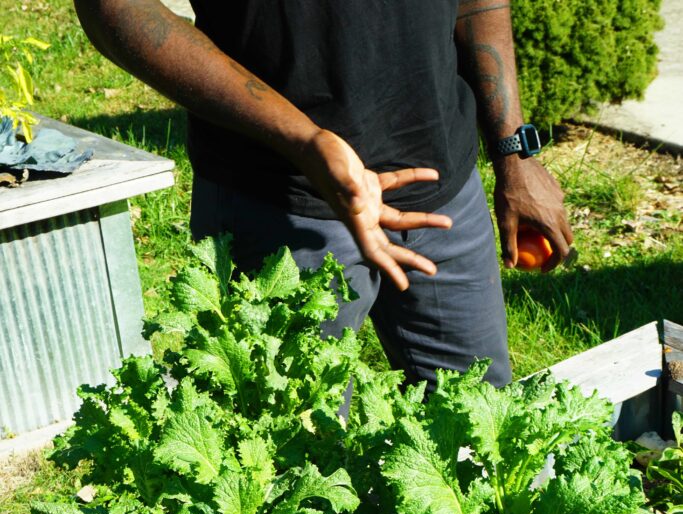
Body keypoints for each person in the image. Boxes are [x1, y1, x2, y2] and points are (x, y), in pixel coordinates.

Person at [73, 0, 573, 388]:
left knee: (487, 434)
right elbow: (114, 9)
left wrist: (514, 152)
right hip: (276, 202)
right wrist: (303, 140)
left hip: (445, 188)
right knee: (293, 465)